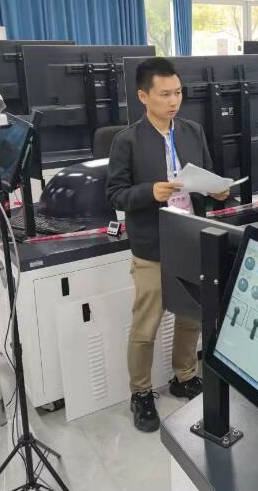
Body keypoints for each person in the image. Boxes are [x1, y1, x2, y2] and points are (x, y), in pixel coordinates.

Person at [106, 57, 230, 433]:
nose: (173, 101)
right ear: (144, 96)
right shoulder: (127, 140)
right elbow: (115, 194)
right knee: (147, 323)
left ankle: (184, 375)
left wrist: (219, 190)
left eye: (177, 93)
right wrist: (150, 192)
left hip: (191, 236)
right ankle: (141, 392)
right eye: (164, 94)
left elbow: (208, 177)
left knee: (191, 316)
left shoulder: (192, 131)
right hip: (152, 244)